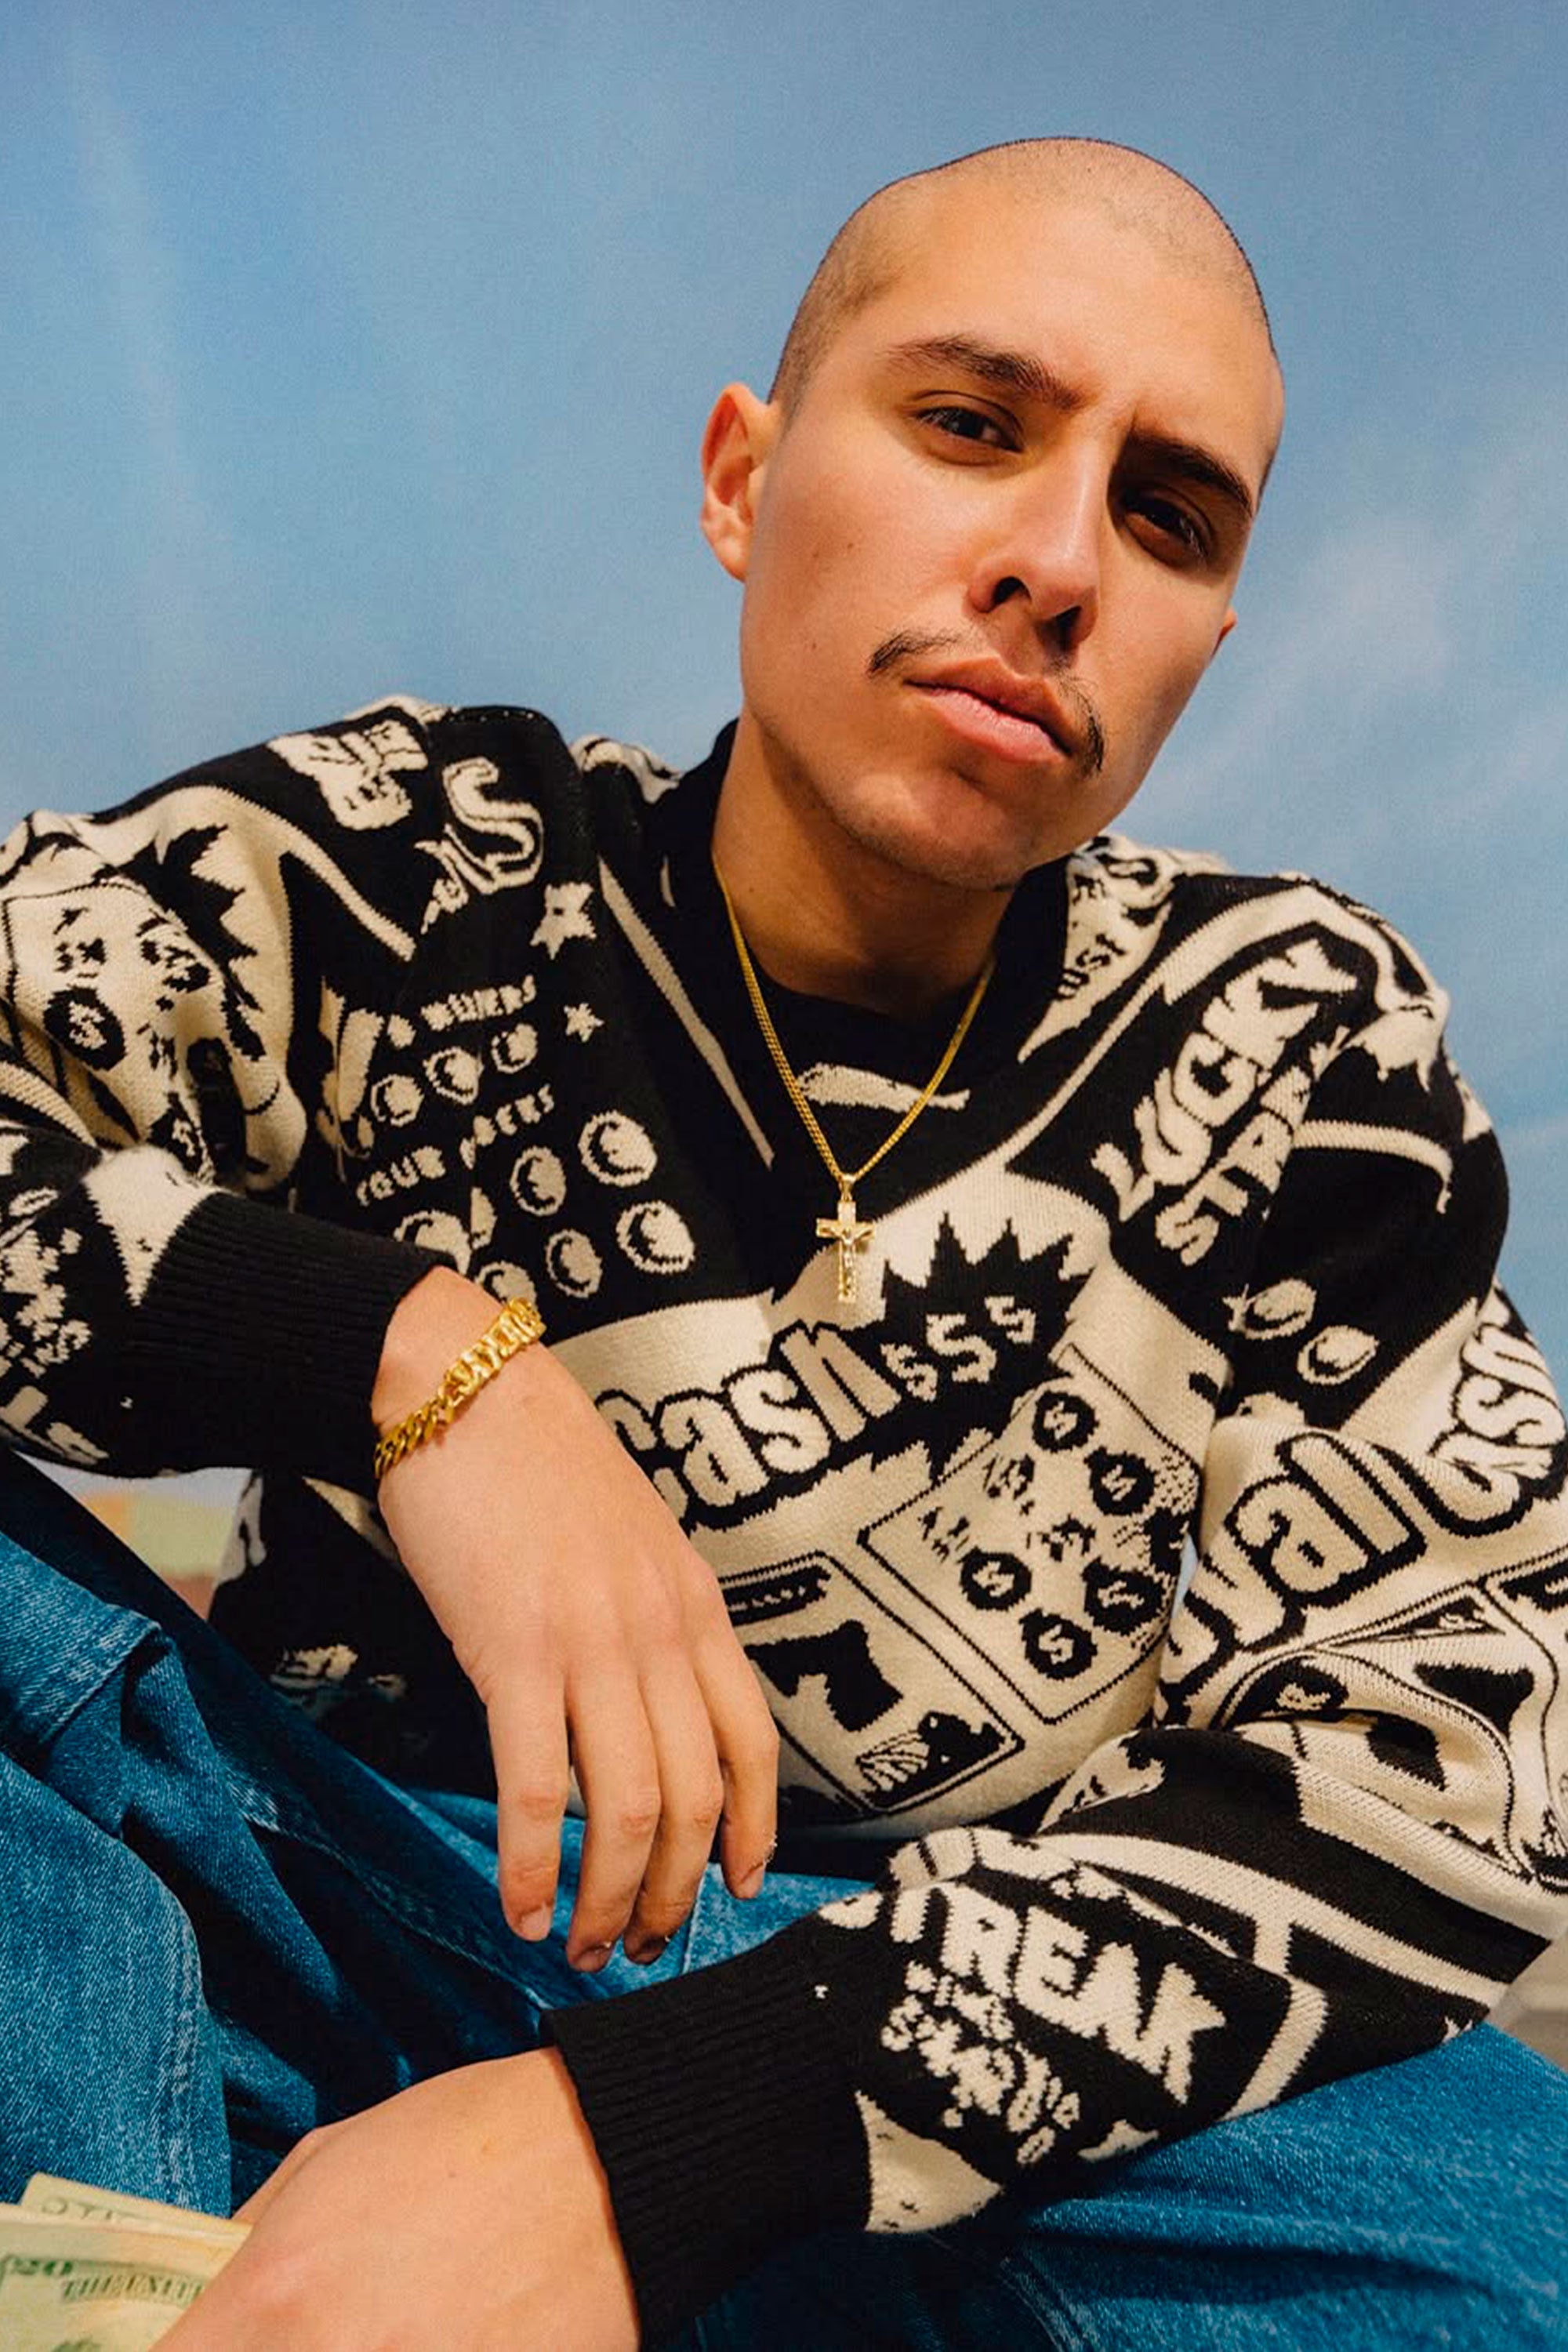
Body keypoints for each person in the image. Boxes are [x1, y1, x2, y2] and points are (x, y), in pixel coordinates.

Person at [0, 136, 1563, 2350]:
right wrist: (408, 1361)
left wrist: (668, 2139)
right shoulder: (421, 863)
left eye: (1166, 516)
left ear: (1210, 639)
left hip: (967, 2057)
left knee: (1508, 2217)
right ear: (744, 480)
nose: (1058, 565)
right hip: (339, 1892)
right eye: (973, 423)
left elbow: (1460, 1738)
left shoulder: (1296, 1050)